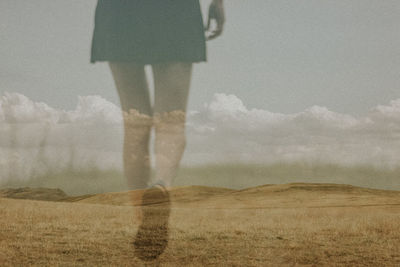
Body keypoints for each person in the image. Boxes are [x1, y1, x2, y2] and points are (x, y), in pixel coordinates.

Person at [90, 0, 225, 261]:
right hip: (175, 10)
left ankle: (143, 224)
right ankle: (162, 185)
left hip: (119, 11)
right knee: (171, 120)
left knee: (135, 123)